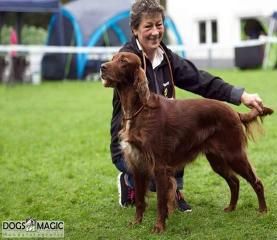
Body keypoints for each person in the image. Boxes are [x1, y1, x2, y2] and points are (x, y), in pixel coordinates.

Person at [110, 0, 264, 212]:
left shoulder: (166, 56)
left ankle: (174, 188)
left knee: (177, 130)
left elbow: (200, 80)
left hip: (163, 138)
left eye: (159, 24)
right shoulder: (124, 61)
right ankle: (131, 182)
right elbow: (112, 85)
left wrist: (240, 95)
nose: (155, 32)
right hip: (131, 141)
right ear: (135, 30)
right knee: (155, 151)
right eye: (148, 26)